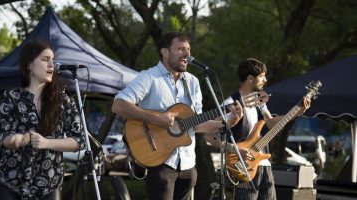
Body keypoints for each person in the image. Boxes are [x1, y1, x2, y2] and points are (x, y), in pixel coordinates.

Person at [112, 32, 243, 200]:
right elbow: (119, 104)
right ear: (164, 52)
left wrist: (226, 122)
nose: (187, 54)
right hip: (160, 162)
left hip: (188, 165)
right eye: (180, 49)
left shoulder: (193, 82)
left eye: (188, 49)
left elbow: (196, 124)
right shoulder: (149, 77)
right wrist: (157, 119)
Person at [0, 40, 84, 200]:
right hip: (10, 182)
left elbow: (79, 140)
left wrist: (47, 143)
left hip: (48, 184)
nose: (51, 65)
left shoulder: (63, 100)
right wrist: (15, 140)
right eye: (45, 59)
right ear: (29, 65)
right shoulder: (10, 97)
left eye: (53, 60)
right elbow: (3, 138)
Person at [223, 58, 311, 200]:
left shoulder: (259, 102)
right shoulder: (230, 104)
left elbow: (270, 123)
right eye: (262, 76)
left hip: (264, 162)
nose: (265, 80)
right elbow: (216, 136)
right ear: (250, 79)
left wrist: (296, 112)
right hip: (244, 165)